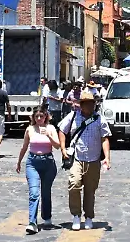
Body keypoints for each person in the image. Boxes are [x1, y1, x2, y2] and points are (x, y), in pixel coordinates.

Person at [59, 94, 111, 231]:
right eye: (86, 103)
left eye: (91, 103)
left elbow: (105, 139)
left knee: (90, 190)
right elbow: (62, 130)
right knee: (74, 184)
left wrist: (107, 157)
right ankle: (76, 215)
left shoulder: (99, 119)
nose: (89, 106)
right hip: (77, 158)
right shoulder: (72, 117)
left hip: (93, 160)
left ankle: (88, 217)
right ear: (81, 105)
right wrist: (63, 148)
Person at [15, 109, 60, 234]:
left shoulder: (50, 128)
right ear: (33, 117)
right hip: (32, 163)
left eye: (42, 116)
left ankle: (47, 217)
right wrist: (19, 162)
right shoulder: (30, 129)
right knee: (34, 192)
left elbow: (57, 146)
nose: (39, 118)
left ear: (46, 117)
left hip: (48, 163)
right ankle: (32, 222)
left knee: (45, 192)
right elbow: (24, 147)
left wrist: (48, 136)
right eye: (37, 116)